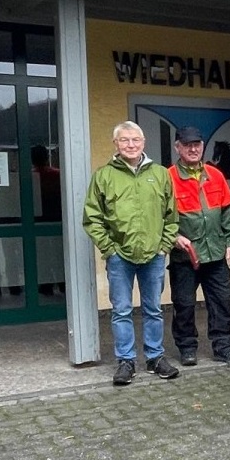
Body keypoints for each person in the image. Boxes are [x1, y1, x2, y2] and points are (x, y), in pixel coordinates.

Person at [82, 121, 180, 385]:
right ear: (116, 144)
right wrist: (109, 248)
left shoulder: (160, 174)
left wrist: (164, 246)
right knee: (122, 310)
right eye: (124, 140)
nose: (130, 145)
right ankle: (126, 361)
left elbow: (171, 215)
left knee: (154, 309)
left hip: (153, 255)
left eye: (135, 140)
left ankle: (155, 358)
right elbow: (92, 217)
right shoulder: (103, 176)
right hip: (120, 257)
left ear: (143, 142)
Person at [167, 126, 230, 366]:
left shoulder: (215, 174)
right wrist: (173, 237)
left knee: (222, 302)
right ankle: (187, 347)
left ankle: (223, 347)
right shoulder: (167, 178)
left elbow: (228, 212)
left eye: (197, 144)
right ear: (177, 147)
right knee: (184, 304)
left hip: (216, 253)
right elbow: (158, 216)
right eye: (187, 144)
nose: (193, 148)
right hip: (184, 257)